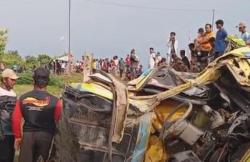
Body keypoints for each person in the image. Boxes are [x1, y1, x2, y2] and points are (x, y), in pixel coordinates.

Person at [12, 67, 62, 162]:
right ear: (48, 81)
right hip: (46, 137)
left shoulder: (23, 98)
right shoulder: (56, 101)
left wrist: (18, 137)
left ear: (33, 80)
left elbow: (15, 119)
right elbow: (58, 120)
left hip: (27, 136)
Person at [0, 69, 19, 162]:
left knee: (10, 157)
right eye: (12, 80)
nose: (14, 82)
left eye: (15, 80)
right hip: (2, 133)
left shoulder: (13, 94)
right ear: (4, 80)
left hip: (12, 132)